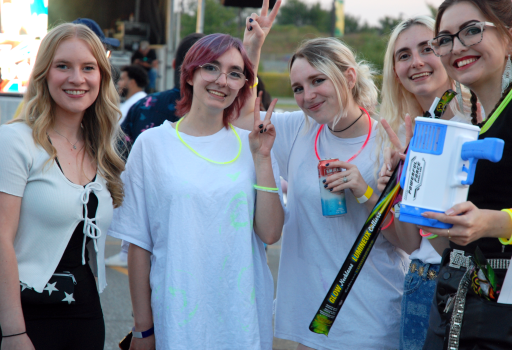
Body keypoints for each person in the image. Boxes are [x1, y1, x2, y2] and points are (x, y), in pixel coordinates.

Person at [234, 2, 409, 348]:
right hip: (306, 319)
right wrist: (253, 46)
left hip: (369, 322)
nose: (307, 96)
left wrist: (366, 192)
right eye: (298, 88)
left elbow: (408, 241)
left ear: (348, 77)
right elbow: (240, 116)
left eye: (317, 81)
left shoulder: (387, 140)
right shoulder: (299, 129)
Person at [107, 33, 284, 349]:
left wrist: (264, 159)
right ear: (189, 74)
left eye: (234, 73)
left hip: (241, 322)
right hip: (176, 322)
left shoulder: (254, 146)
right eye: (211, 68)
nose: (222, 80)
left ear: (244, 84)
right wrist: (142, 330)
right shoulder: (153, 146)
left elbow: (270, 233)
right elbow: (138, 246)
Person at [417, 1, 512, 348]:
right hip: (456, 303)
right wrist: (416, 190)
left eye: (472, 30)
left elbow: (490, 223)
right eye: (444, 39)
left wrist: (498, 223)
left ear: (511, 39)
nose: (457, 47)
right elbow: (451, 240)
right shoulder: (468, 127)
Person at [0, 23, 124, 349]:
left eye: (88, 68)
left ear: (101, 77)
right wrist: (12, 331)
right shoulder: (15, 141)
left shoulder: (102, 149)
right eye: (63, 66)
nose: (77, 78)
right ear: (44, 74)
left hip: (84, 316)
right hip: (24, 317)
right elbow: (1, 238)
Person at [375, 15, 476, 350]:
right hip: (420, 284)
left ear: (446, 54)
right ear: (395, 70)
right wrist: (389, 192)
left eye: (427, 48)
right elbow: (408, 242)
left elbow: (466, 245)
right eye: (403, 55)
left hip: (472, 290)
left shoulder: (477, 124)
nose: (416, 62)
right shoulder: (405, 136)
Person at [105, 34, 205, 269]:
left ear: (173, 65)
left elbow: (115, 162)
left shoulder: (144, 108)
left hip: (149, 237)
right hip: (205, 237)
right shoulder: (227, 114)